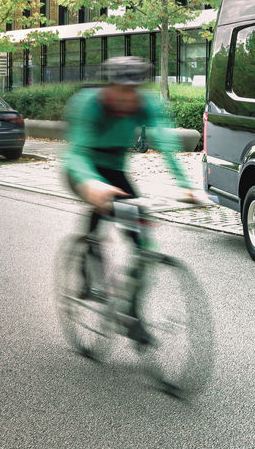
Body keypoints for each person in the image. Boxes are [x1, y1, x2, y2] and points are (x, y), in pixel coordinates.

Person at [63, 55, 205, 344]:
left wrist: (185, 186)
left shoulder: (145, 103)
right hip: (82, 169)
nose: (128, 97)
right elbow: (75, 153)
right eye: (121, 89)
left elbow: (165, 142)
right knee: (100, 205)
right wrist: (91, 184)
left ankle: (132, 315)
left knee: (144, 245)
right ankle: (87, 262)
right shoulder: (90, 104)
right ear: (109, 85)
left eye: (134, 90)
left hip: (115, 171)